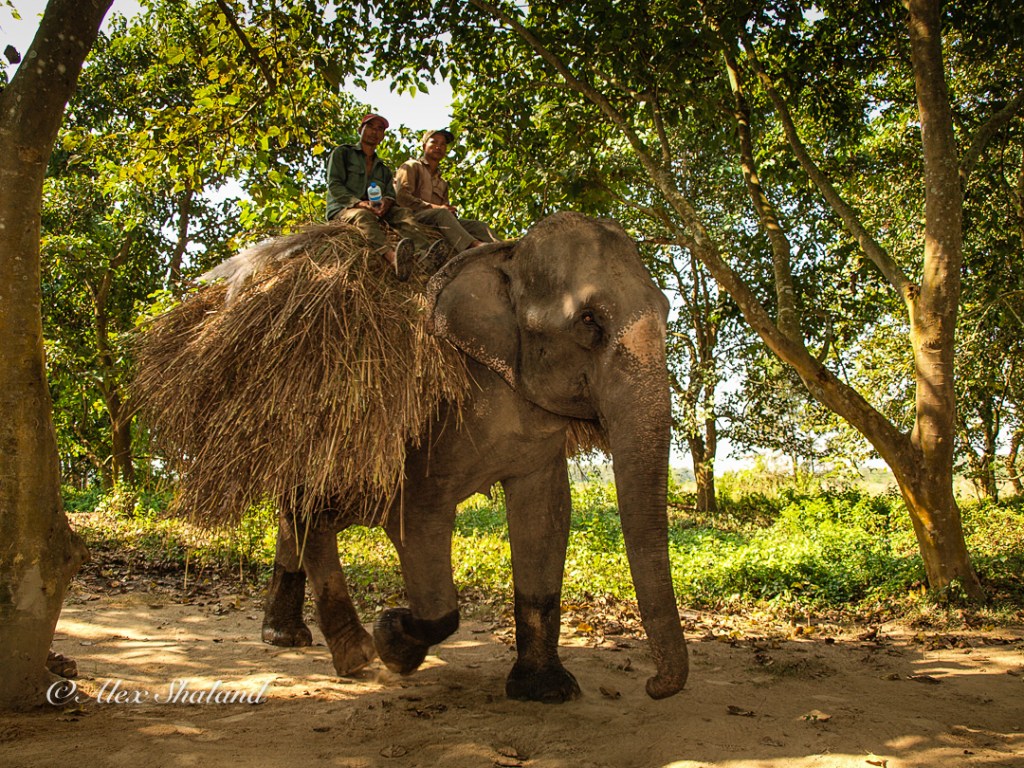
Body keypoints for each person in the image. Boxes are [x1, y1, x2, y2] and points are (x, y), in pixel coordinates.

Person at [326, 113, 446, 281]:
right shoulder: (343, 153)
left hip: (375, 209)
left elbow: (390, 193)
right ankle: (393, 259)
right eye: (370, 127)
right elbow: (334, 185)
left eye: (379, 129)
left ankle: (426, 254)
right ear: (361, 129)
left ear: (382, 136)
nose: (374, 132)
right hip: (344, 208)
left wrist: (386, 203)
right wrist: (358, 203)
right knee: (363, 215)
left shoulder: (382, 168)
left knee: (403, 214)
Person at [395, 129, 497, 272]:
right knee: (441, 214)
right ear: (424, 146)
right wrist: (437, 208)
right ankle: (473, 247)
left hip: (438, 221)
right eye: (434, 142)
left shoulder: (442, 182)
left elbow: (445, 209)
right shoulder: (412, 166)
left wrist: (448, 210)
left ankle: (503, 249)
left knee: (478, 225)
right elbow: (402, 197)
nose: (439, 146)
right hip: (414, 217)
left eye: (443, 144)